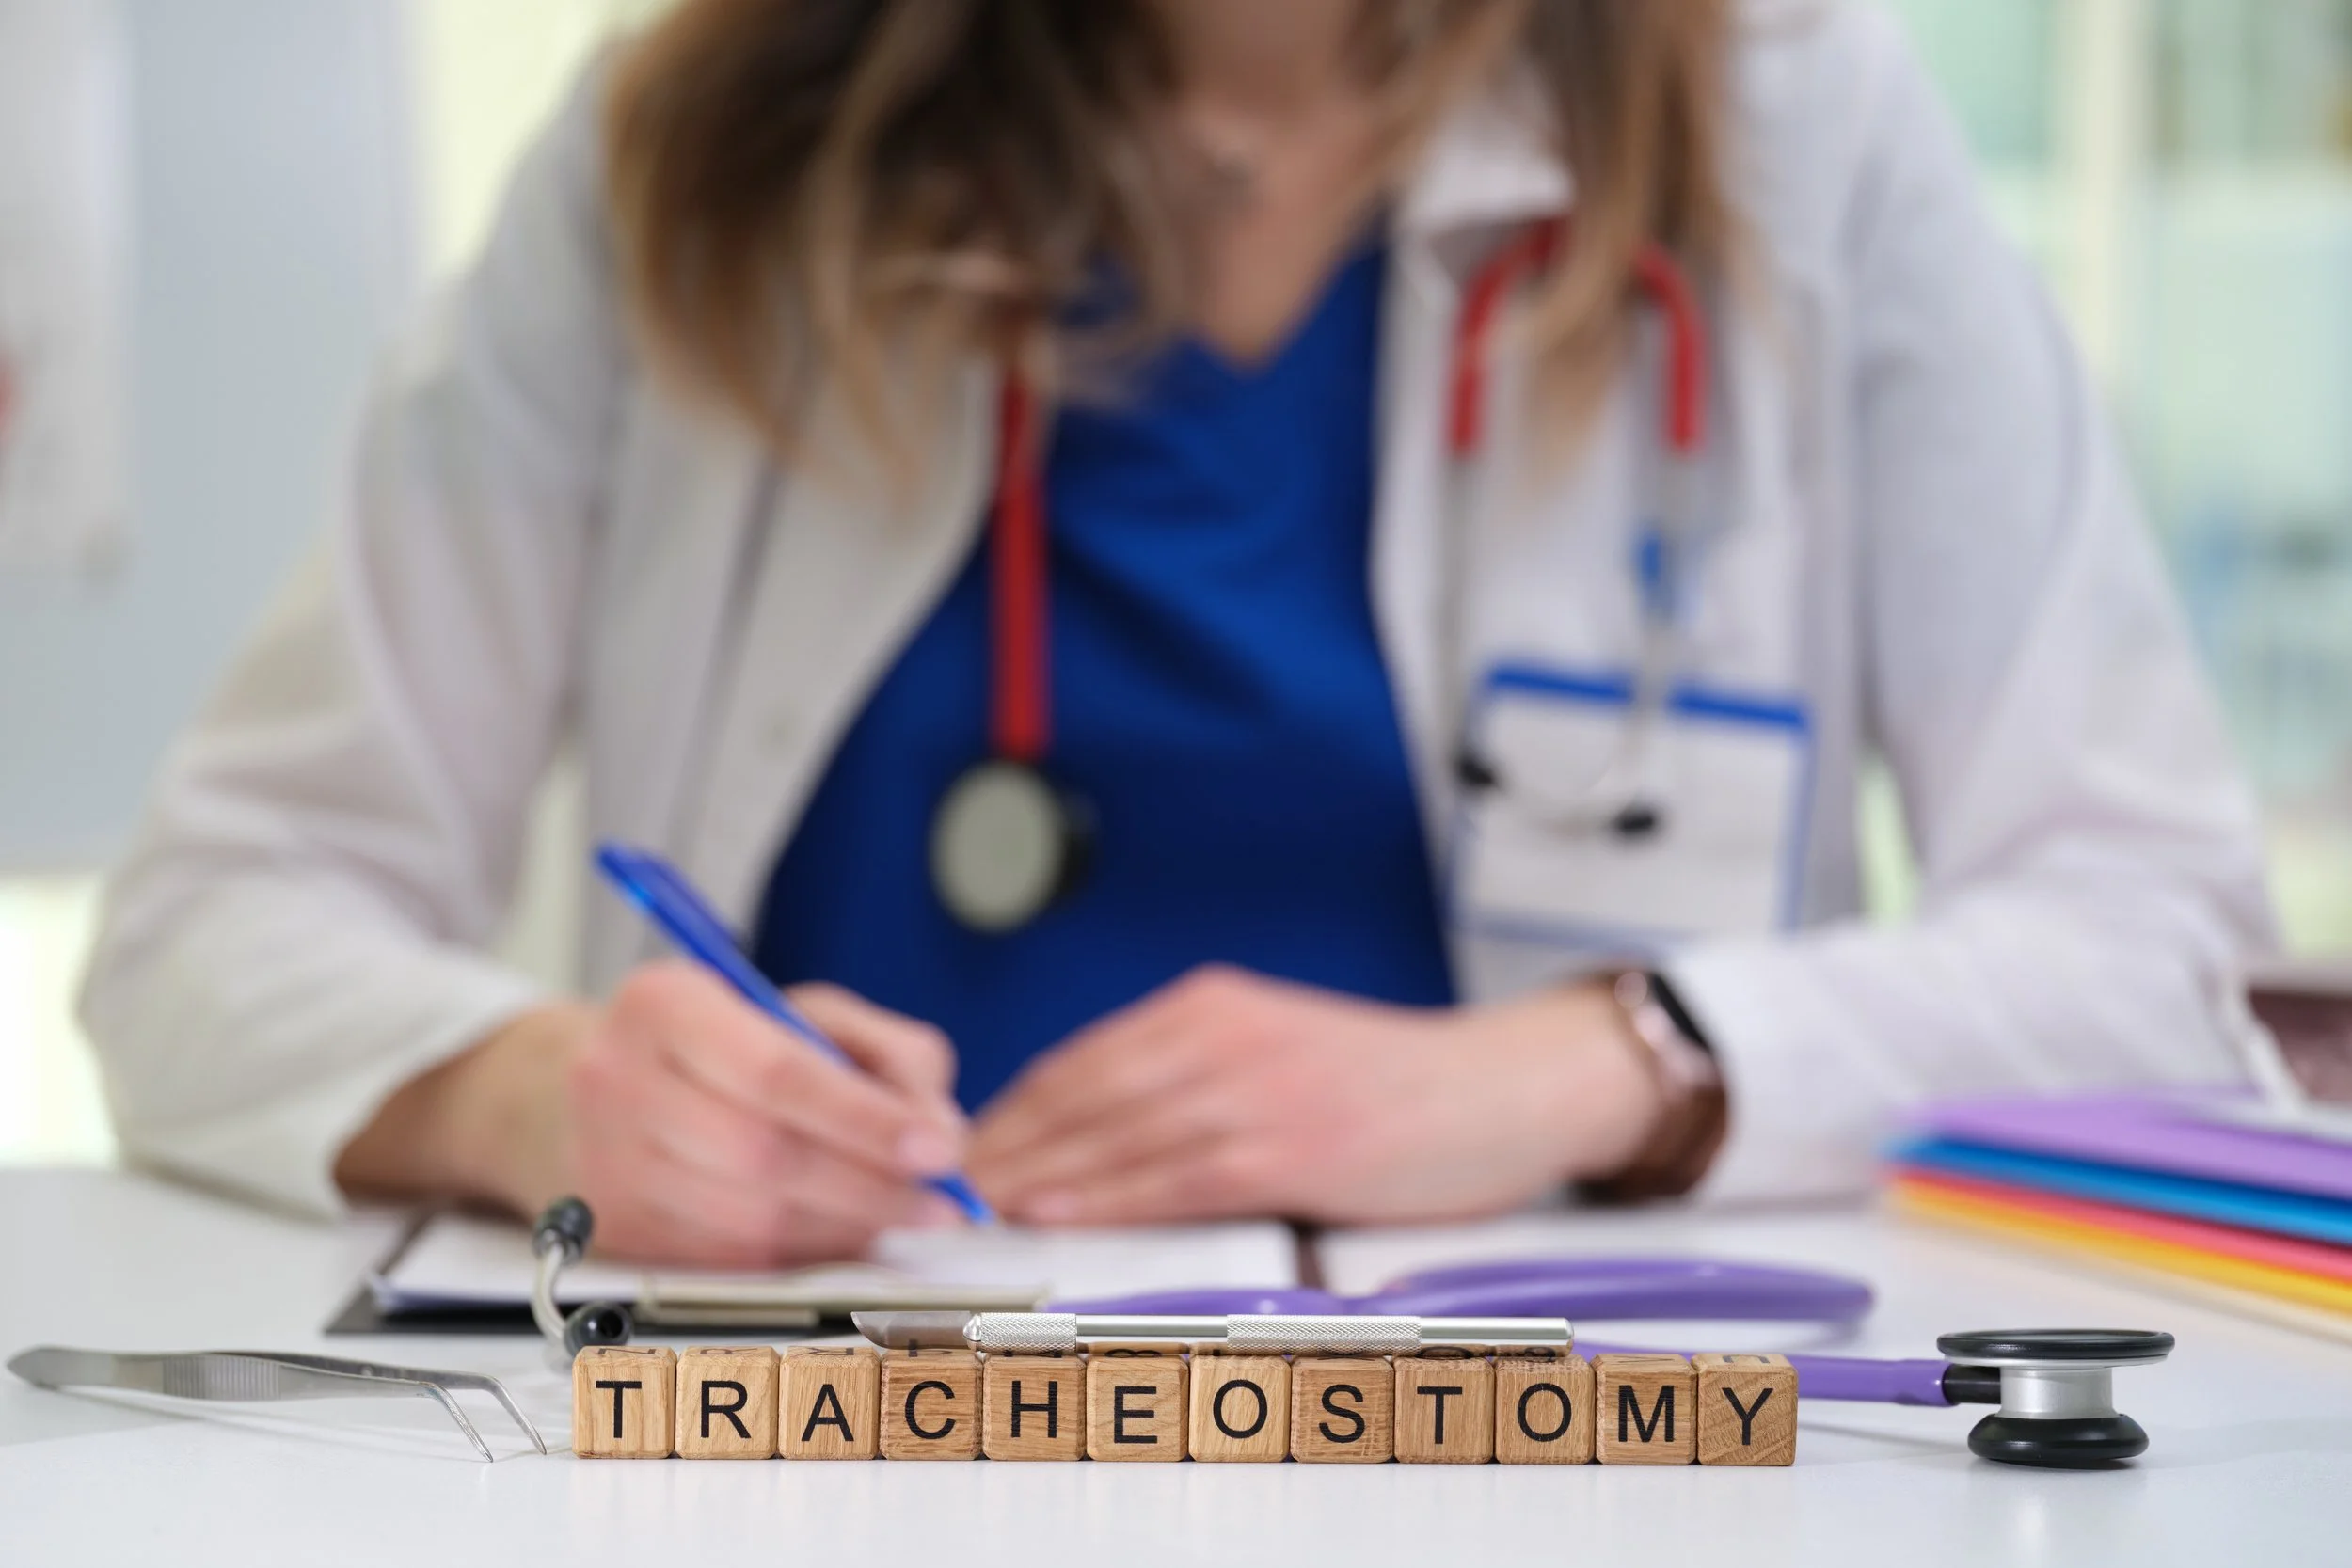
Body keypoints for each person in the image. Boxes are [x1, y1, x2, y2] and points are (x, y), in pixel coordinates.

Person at [81, 0, 2271, 1265]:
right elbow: (213, 922)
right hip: (821, 1452)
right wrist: (531, 1086)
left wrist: (1591, 1066)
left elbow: (2156, 941)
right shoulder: (691, 151)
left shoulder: (1791, 131)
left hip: (1536, 1465)